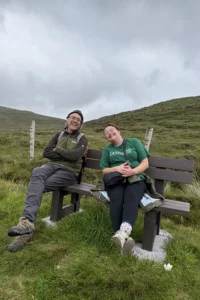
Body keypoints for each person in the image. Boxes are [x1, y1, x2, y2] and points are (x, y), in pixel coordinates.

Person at [8, 110, 88, 252]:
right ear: (67, 119)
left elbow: (75, 156)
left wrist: (58, 150)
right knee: (37, 171)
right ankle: (27, 223)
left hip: (69, 173)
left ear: (81, 124)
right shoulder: (59, 135)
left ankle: (26, 228)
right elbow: (46, 153)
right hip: (52, 166)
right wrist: (63, 155)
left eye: (78, 120)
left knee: (36, 186)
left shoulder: (82, 138)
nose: (75, 121)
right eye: (73, 118)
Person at [100, 124, 149, 255]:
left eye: (111, 130)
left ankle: (122, 234)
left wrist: (133, 171)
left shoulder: (134, 142)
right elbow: (104, 170)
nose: (109, 133)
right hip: (116, 180)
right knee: (116, 198)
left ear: (119, 130)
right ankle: (122, 236)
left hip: (136, 178)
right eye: (106, 133)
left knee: (131, 197)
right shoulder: (107, 150)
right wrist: (117, 168)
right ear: (106, 138)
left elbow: (145, 163)